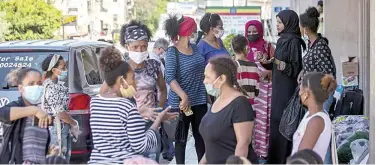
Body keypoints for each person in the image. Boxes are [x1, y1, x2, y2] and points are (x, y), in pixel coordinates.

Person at [88, 46, 177, 164]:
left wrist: (139, 113)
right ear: (121, 81)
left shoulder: (95, 102)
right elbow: (142, 146)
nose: (135, 83)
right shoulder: (128, 107)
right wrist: (157, 122)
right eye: (133, 79)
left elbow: (115, 124)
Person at [164, 14, 207, 164]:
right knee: (181, 140)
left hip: (199, 100)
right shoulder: (172, 52)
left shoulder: (195, 48)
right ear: (188, 31)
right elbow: (169, 77)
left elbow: (202, 69)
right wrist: (184, 96)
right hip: (181, 103)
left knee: (201, 137)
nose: (196, 32)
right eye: (194, 29)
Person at [265, 10, 306, 164]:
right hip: (278, 87)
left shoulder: (294, 42)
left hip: (287, 90)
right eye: (277, 22)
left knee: (285, 124)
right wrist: (266, 61)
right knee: (276, 122)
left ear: (289, 23)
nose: (278, 25)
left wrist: (276, 62)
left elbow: (295, 69)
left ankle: (284, 159)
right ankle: (275, 159)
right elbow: (276, 64)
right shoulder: (282, 40)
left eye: (280, 22)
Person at [199, 57, 257, 164]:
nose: (204, 81)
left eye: (207, 77)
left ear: (222, 79)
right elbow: (213, 145)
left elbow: (243, 144)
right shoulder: (218, 100)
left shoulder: (240, 104)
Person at [0, 68, 52, 164]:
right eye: (31, 84)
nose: (36, 87)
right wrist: (33, 110)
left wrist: (50, 151)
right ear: (21, 88)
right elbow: (2, 113)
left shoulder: (41, 112)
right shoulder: (18, 107)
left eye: (39, 83)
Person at [41, 54, 80, 162]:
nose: (66, 70)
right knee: (58, 160)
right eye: (63, 68)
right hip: (56, 128)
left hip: (61, 127)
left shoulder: (56, 84)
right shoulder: (51, 87)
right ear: (54, 70)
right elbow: (60, 113)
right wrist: (74, 123)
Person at [299, 7, 336, 111]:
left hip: (319, 98)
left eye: (300, 26)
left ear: (305, 29)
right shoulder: (312, 44)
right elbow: (315, 64)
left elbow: (329, 73)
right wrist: (303, 72)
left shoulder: (320, 47)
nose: (299, 29)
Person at [291, 72, 335, 161]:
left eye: (300, 90)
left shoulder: (316, 121)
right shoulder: (310, 115)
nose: (299, 94)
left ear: (306, 93)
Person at [149, 38, 175, 161]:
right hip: (161, 99)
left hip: (163, 98)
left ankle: (168, 151)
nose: (165, 53)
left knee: (164, 127)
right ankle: (168, 152)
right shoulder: (154, 62)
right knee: (164, 126)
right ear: (159, 49)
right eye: (164, 50)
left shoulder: (158, 60)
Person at [231, 34, 260, 105]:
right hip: (250, 106)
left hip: (236, 106)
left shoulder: (232, 66)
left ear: (233, 49)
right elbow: (257, 91)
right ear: (246, 47)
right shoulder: (254, 66)